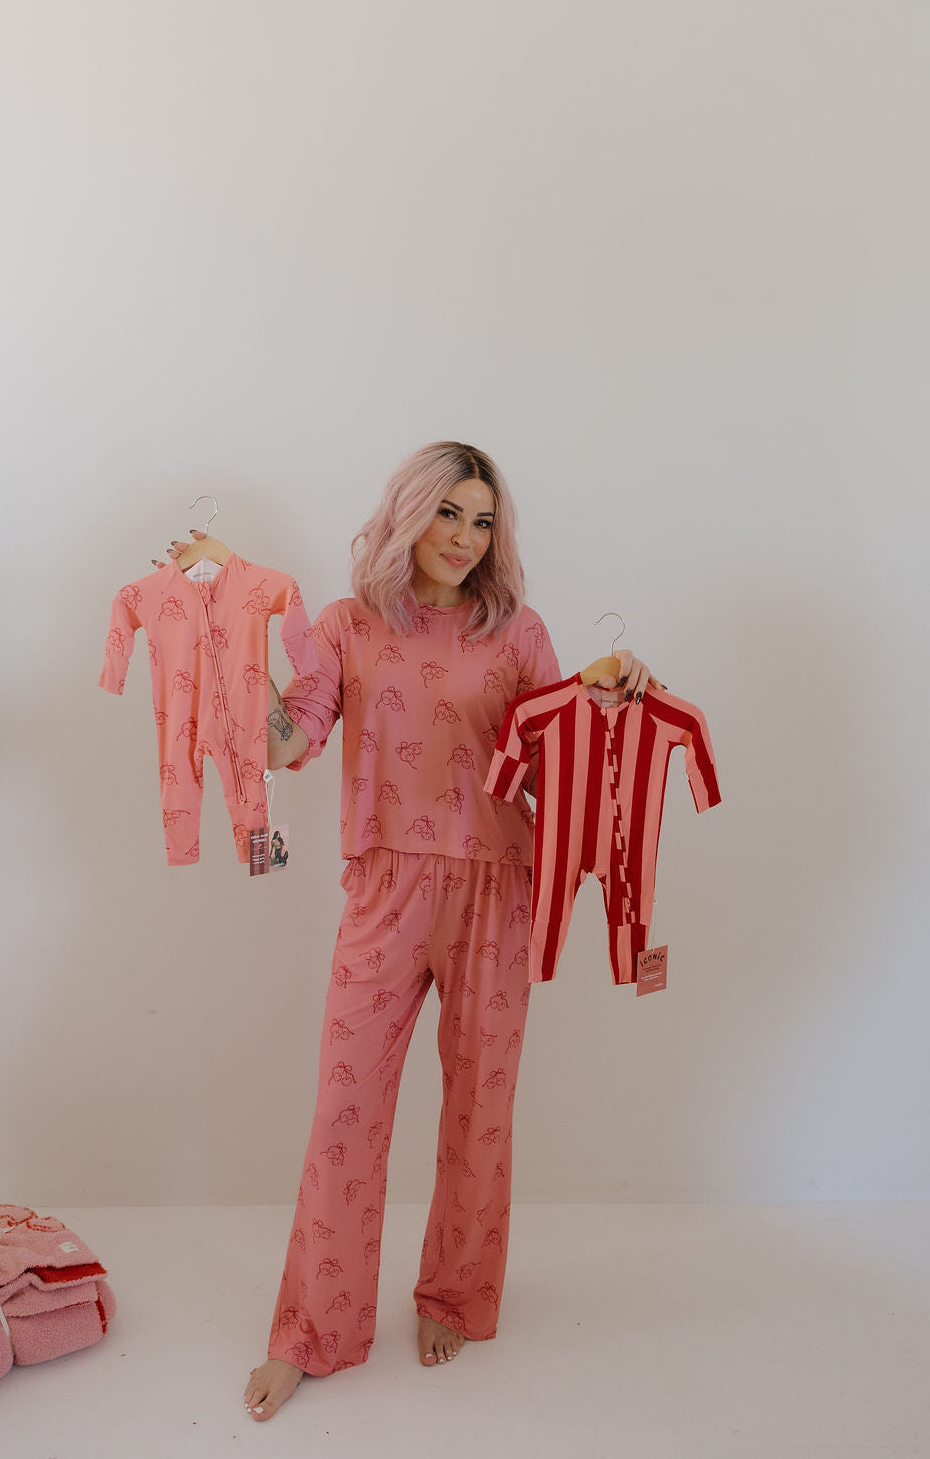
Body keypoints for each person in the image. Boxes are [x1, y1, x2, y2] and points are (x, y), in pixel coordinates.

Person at [156, 443, 658, 1422]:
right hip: (384, 887)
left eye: (481, 522)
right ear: (408, 515)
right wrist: (233, 630)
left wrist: (609, 701)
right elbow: (288, 741)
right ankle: (313, 1331)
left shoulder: (518, 633)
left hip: (496, 891)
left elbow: (557, 765)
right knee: (346, 1117)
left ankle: (457, 1297)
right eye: (447, 516)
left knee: (480, 1110)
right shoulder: (346, 626)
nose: (464, 540)